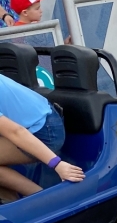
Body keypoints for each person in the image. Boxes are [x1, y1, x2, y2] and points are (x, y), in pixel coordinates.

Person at [0, 71, 84, 199]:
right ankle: (11, 206)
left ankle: (45, 200)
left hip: (45, 132)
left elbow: (16, 131)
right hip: (30, 124)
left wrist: (57, 164)